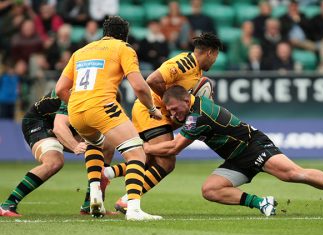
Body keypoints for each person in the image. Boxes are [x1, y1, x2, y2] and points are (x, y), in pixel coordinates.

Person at [143, 85, 323, 217]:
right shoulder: (193, 108)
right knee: (210, 190)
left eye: (174, 110)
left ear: (185, 99)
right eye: (170, 112)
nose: (173, 115)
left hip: (253, 146)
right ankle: (262, 203)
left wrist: (146, 147)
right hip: (236, 158)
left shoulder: (199, 116)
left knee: (292, 174)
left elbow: (175, 147)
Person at [55, 16, 163, 220]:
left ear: (104, 33)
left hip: (76, 110)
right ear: (125, 35)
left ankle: (95, 200)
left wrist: (79, 104)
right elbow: (139, 86)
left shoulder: (81, 51)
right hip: (102, 106)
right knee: (137, 153)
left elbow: (61, 88)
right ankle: (134, 209)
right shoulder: (123, 48)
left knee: (95, 145)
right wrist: (151, 108)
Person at [104, 32, 221, 213]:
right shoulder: (185, 63)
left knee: (151, 159)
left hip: (151, 113)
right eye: (216, 56)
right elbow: (153, 79)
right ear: (210, 53)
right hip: (150, 112)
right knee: (167, 162)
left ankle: (109, 174)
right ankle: (128, 200)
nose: (214, 61)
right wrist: (167, 107)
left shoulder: (197, 71)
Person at [0, 88, 88, 216]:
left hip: (65, 123)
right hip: (39, 121)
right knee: (54, 162)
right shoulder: (76, 92)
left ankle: (91, 204)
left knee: (103, 147)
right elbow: (59, 127)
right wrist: (75, 146)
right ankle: (8, 205)